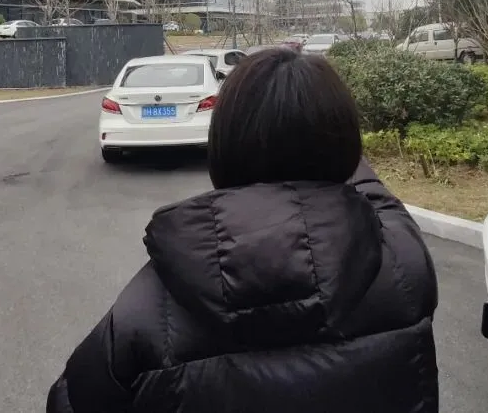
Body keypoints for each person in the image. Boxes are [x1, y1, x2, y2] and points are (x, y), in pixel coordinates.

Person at [47, 47, 439, 413]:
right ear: (346, 145)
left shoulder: (149, 307)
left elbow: (69, 401)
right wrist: (321, 139)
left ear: (223, 144)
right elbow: (381, 199)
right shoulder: (402, 264)